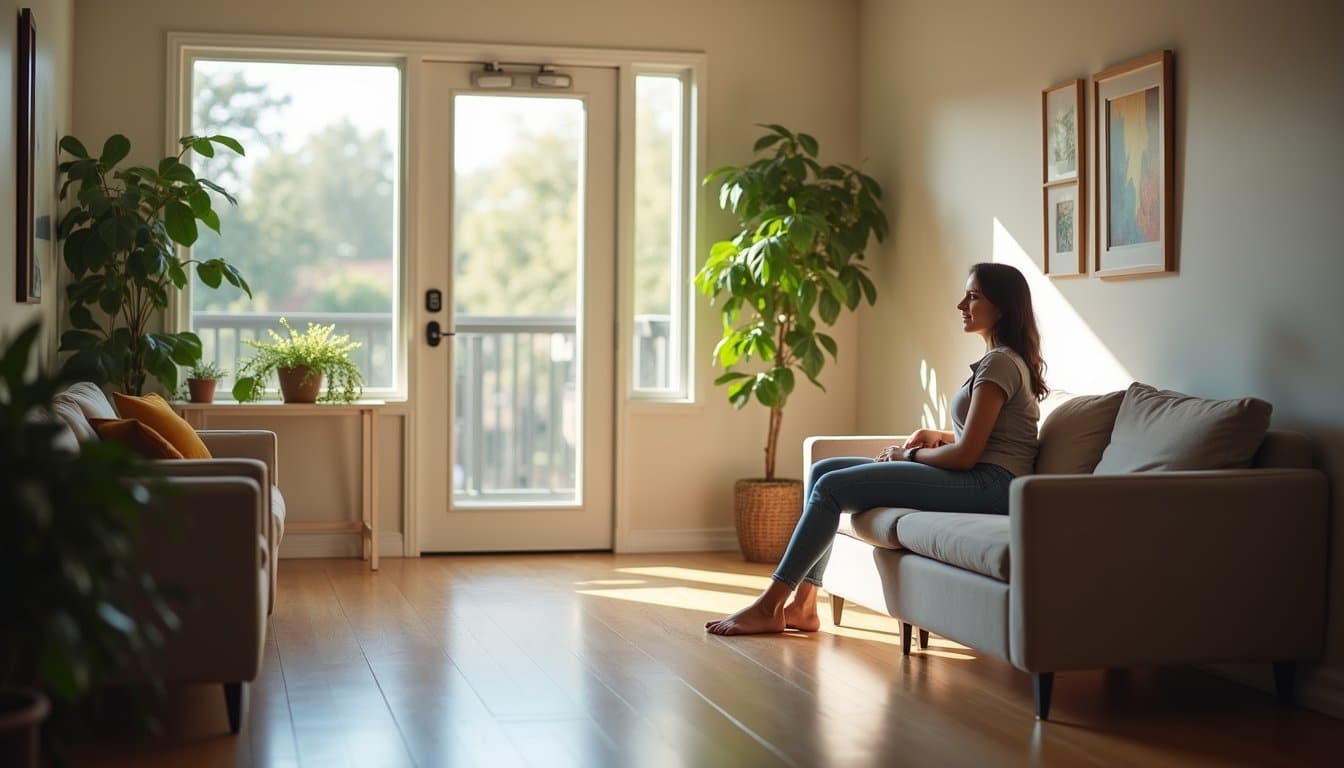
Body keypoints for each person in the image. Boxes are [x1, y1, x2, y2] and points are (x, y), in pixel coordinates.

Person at [706, 262, 1048, 636]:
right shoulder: (1000, 360)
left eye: (973, 296)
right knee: (824, 470)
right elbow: (991, 437)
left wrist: (909, 455)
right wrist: (939, 435)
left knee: (831, 489)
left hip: (992, 485)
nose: (960, 304)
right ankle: (803, 606)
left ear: (1001, 307)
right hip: (988, 476)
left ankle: (769, 605)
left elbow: (968, 456)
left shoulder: (999, 363)